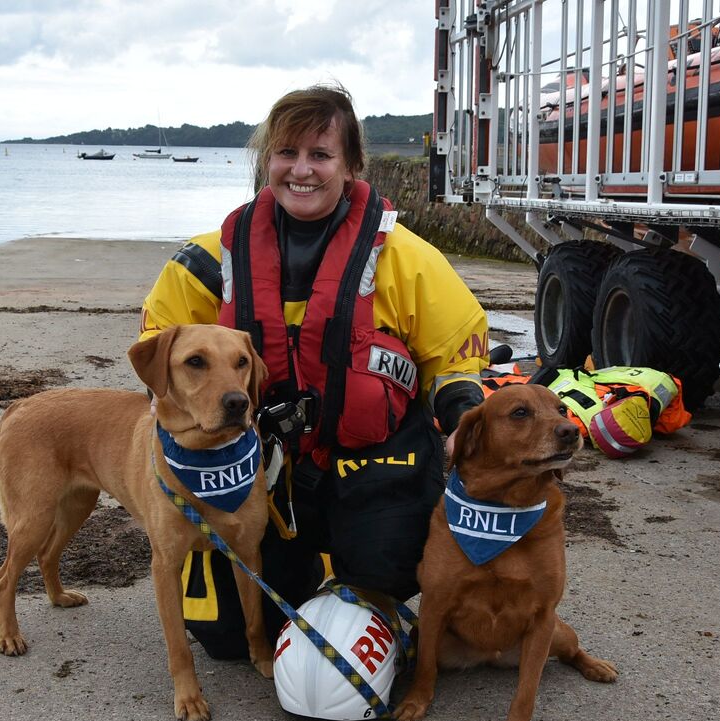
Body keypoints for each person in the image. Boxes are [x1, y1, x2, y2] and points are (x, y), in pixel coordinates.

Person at [138, 83, 488, 659]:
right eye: (286, 153)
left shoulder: (405, 257)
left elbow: (457, 355)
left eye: (321, 155)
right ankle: (297, 585)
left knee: (387, 569)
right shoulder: (207, 260)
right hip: (257, 472)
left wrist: (460, 418)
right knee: (225, 638)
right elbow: (157, 344)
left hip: (373, 463)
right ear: (265, 161)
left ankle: (359, 584)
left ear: (350, 166)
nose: (302, 170)